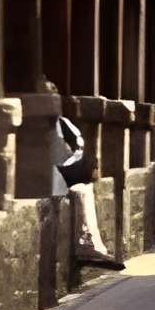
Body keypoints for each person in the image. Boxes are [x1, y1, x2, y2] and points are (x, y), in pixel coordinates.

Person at [49, 103, 122, 271]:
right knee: (81, 189)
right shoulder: (42, 124)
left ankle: (91, 243)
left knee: (84, 189)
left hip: (63, 174)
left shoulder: (62, 122)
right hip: (49, 175)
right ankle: (86, 244)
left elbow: (74, 150)